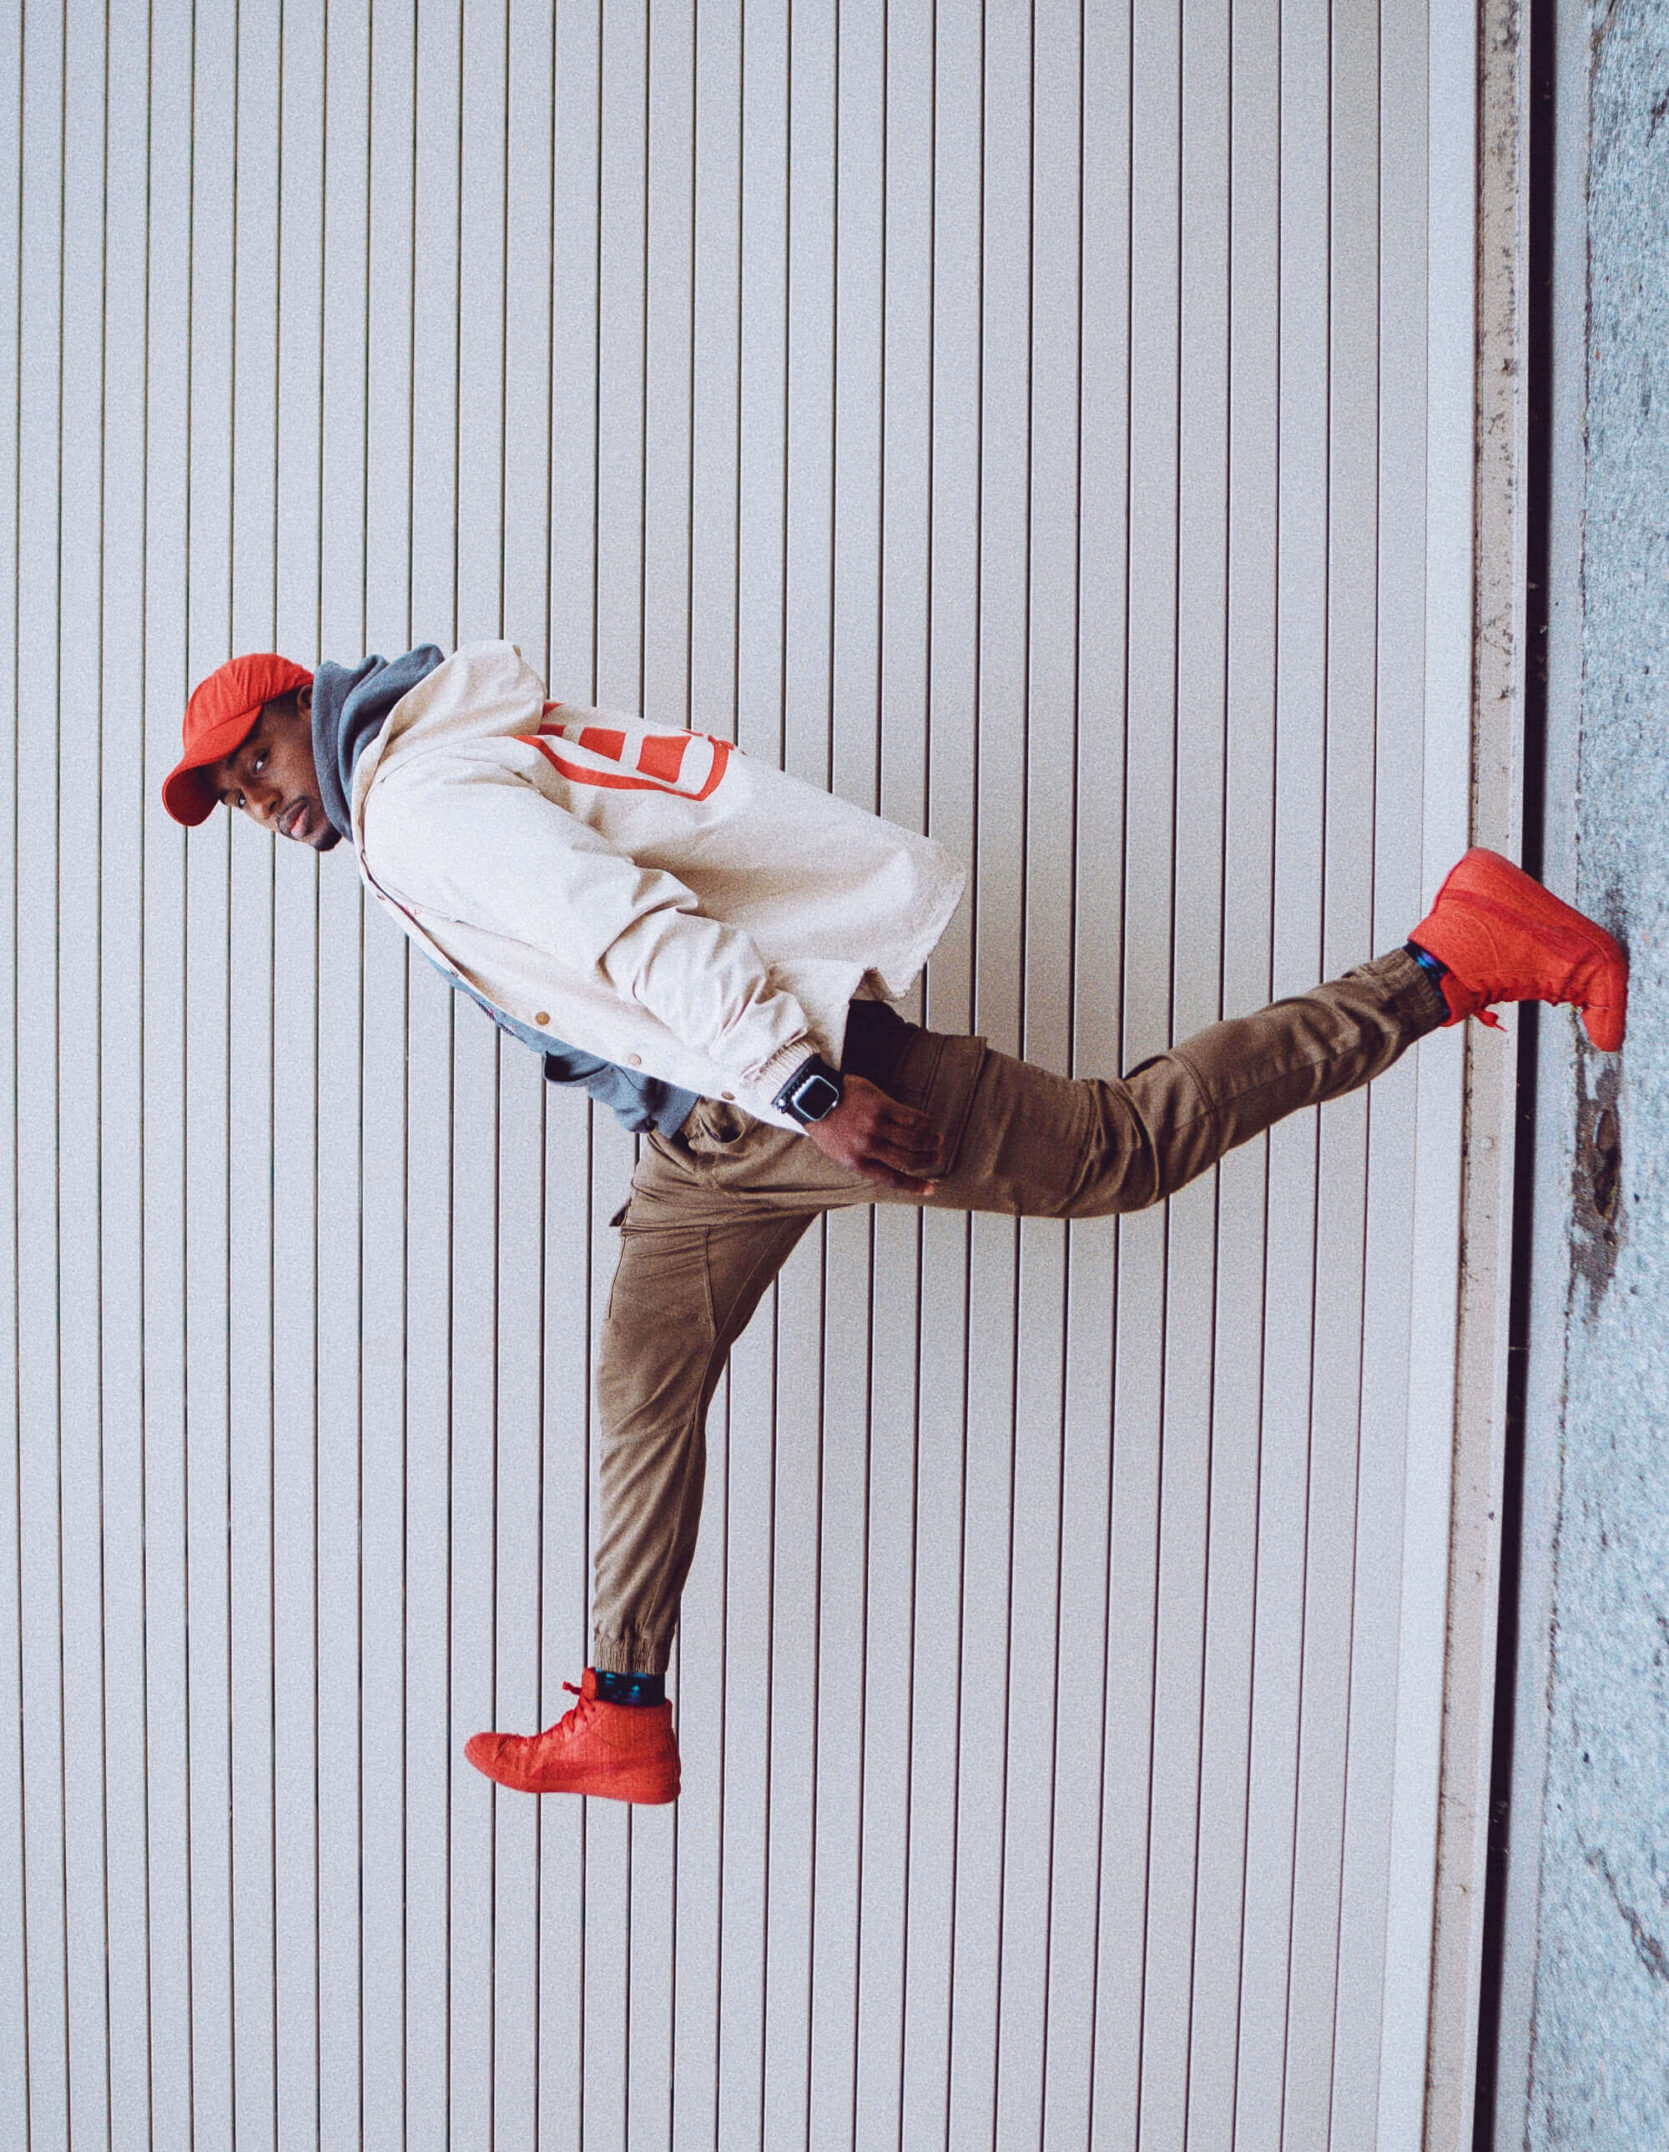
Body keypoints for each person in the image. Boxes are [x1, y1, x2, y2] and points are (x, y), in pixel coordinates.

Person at [163, 641, 1628, 1806]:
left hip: (766, 1092)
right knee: (644, 1382)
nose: (261, 800)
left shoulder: (418, 806)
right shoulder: (439, 753)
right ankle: (621, 1704)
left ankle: (1449, 958)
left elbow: (632, 929)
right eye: (234, 796)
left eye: (259, 761)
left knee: (1116, 1150)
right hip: (697, 1138)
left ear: (308, 710)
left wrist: (806, 1087)